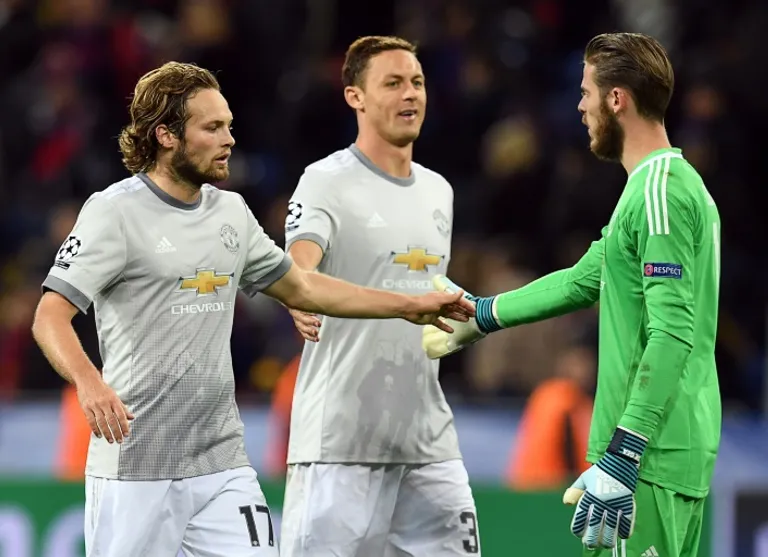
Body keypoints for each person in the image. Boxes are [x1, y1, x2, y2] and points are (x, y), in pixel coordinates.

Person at [30, 61, 474, 557]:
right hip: (137, 462)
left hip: (222, 462)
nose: (229, 140)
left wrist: (409, 305)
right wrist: (89, 383)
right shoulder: (114, 212)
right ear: (166, 136)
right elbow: (50, 315)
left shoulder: (231, 212)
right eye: (212, 128)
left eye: (229, 126)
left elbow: (303, 287)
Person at [422, 32, 721, 557]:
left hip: (646, 456)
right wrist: (484, 314)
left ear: (616, 99)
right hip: (670, 450)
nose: (580, 106)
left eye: (586, 92)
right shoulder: (663, 186)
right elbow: (583, 280)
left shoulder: (660, 193)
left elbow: (673, 333)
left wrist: (625, 452)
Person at [279, 36, 481, 557]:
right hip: (340, 444)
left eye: (417, 82)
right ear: (356, 97)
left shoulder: (439, 190)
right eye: (392, 83)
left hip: (428, 442)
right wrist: (298, 293)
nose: (410, 94)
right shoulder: (325, 181)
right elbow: (299, 269)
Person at [506, 344, 594, 491]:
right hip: (551, 483)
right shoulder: (568, 400)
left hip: (526, 480)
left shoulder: (544, 393)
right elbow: (568, 445)